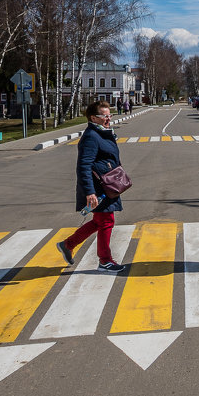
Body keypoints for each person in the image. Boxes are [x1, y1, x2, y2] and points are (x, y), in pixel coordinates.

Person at [57, 100, 127, 272]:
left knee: (99, 221)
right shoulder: (91, 136)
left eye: (109, 115)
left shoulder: (101, 133)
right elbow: (83, 166)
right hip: (99, 188)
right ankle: (105, 260)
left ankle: (68, 244)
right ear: (93, 118)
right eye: (105, 116)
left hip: (107, 185)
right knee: (106, 222)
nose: (108, 118)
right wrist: (89, 192)